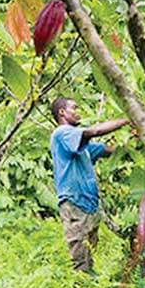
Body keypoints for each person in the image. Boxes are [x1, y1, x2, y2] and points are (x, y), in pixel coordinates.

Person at [49, 97, 130, 275]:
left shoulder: (81, 147)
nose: (78, 112)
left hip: (89, 204)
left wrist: (133, 144)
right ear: (62, 112)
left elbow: (108, 150)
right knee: (79, 258)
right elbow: (93, 131)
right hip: (74, 202)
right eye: (74, 107)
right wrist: (127, 119)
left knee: (88, 253)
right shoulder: (62, 133)